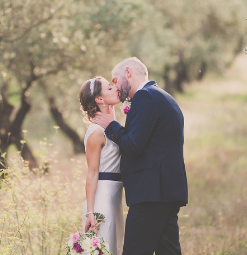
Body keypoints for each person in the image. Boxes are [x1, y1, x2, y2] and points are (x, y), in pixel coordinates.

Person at [93, 57, 188, 255]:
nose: (116, 87)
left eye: (115, 80)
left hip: (150, 194)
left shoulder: (145, 97)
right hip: (165, 191)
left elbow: (133, 145)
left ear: (128, 72)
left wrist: (111, 124)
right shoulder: (162, 96)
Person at [79, 76, 124, 255]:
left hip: (115, 199)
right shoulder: (96, 132)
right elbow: (91, 173)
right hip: (102, 201)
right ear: (99, 99)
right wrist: (90, 212)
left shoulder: (111, 127)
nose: (116, 88)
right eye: (110, 88)